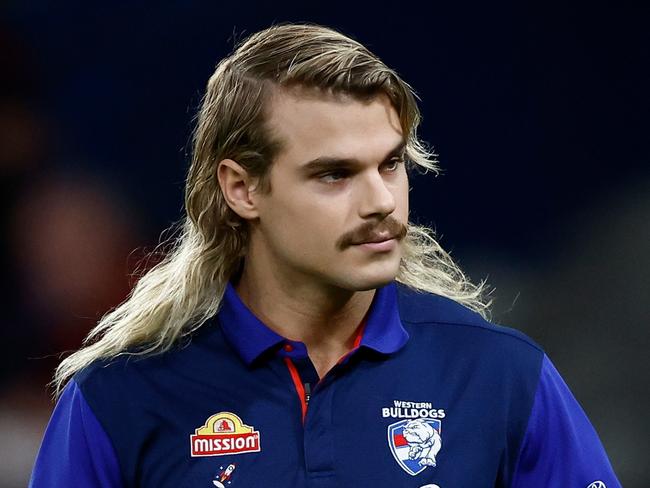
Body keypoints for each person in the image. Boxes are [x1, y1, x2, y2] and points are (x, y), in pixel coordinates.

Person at [29, 23, 621, 488]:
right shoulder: (119, 398)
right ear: (242, 188)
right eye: (334, 174)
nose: (381, 202)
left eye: (390, 164)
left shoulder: (500, 376)